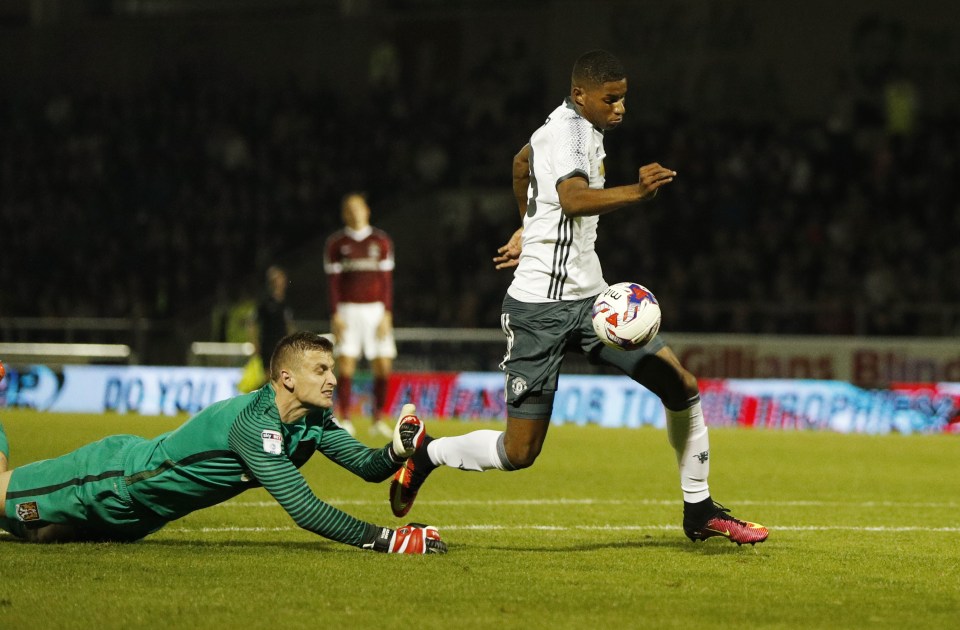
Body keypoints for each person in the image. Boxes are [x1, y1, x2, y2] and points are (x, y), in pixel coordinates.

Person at [390, 50, 768, 546]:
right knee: (519, 453)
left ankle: (699, 509)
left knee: (681, 386)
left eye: (625, 98)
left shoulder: (567, 129)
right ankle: (427, 454)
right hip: (538, 312)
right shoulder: (568, 133)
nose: (620, 109)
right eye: (610, 99)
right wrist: (636, 192)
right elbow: (570, 197)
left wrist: (530, 225)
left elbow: (521, 162)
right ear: (581, 95)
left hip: (592, 304)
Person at [0, 334, 446, 554]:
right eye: (321, 370)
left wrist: (398, 450)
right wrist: (390, 540)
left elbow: (367, 466)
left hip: (138, 518)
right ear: (287, 378)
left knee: (38, 533)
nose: (333, 379)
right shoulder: (254, 424)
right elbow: (305, 510)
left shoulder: (312, 420)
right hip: (106, 481)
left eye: (332, 369)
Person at [323, 192, 398, 439]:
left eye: (358, 207)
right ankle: (344, 417)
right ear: (345, 213)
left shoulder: (381, 241)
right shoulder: (336, 244)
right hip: (347, 310)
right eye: (350, 209)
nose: (355, 212)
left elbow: (387, 281)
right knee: (345, 363)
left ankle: (378, 418)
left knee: (383, 365)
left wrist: (387, 313)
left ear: (367, 210)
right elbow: (333, 283)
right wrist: (335, 314)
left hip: (376, 310)